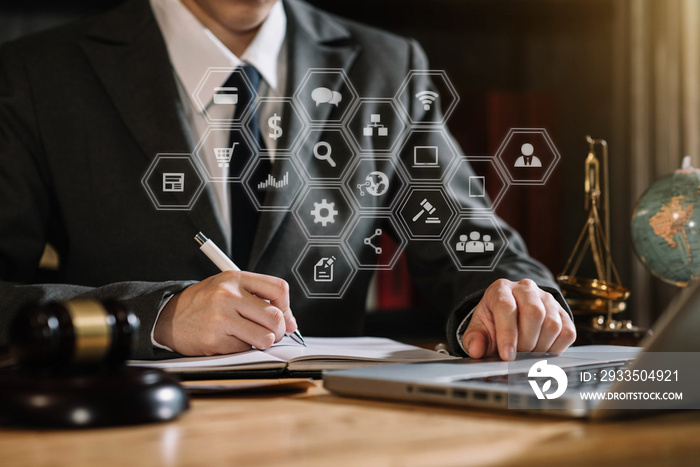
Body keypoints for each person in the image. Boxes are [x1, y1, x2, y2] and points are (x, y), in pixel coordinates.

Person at [0, 0, 575, 361]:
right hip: (121, 431)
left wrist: (513, 300)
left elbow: (476, 250)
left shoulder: (386, 65)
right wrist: (159, 317)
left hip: (330, 430)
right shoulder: (37, 75)